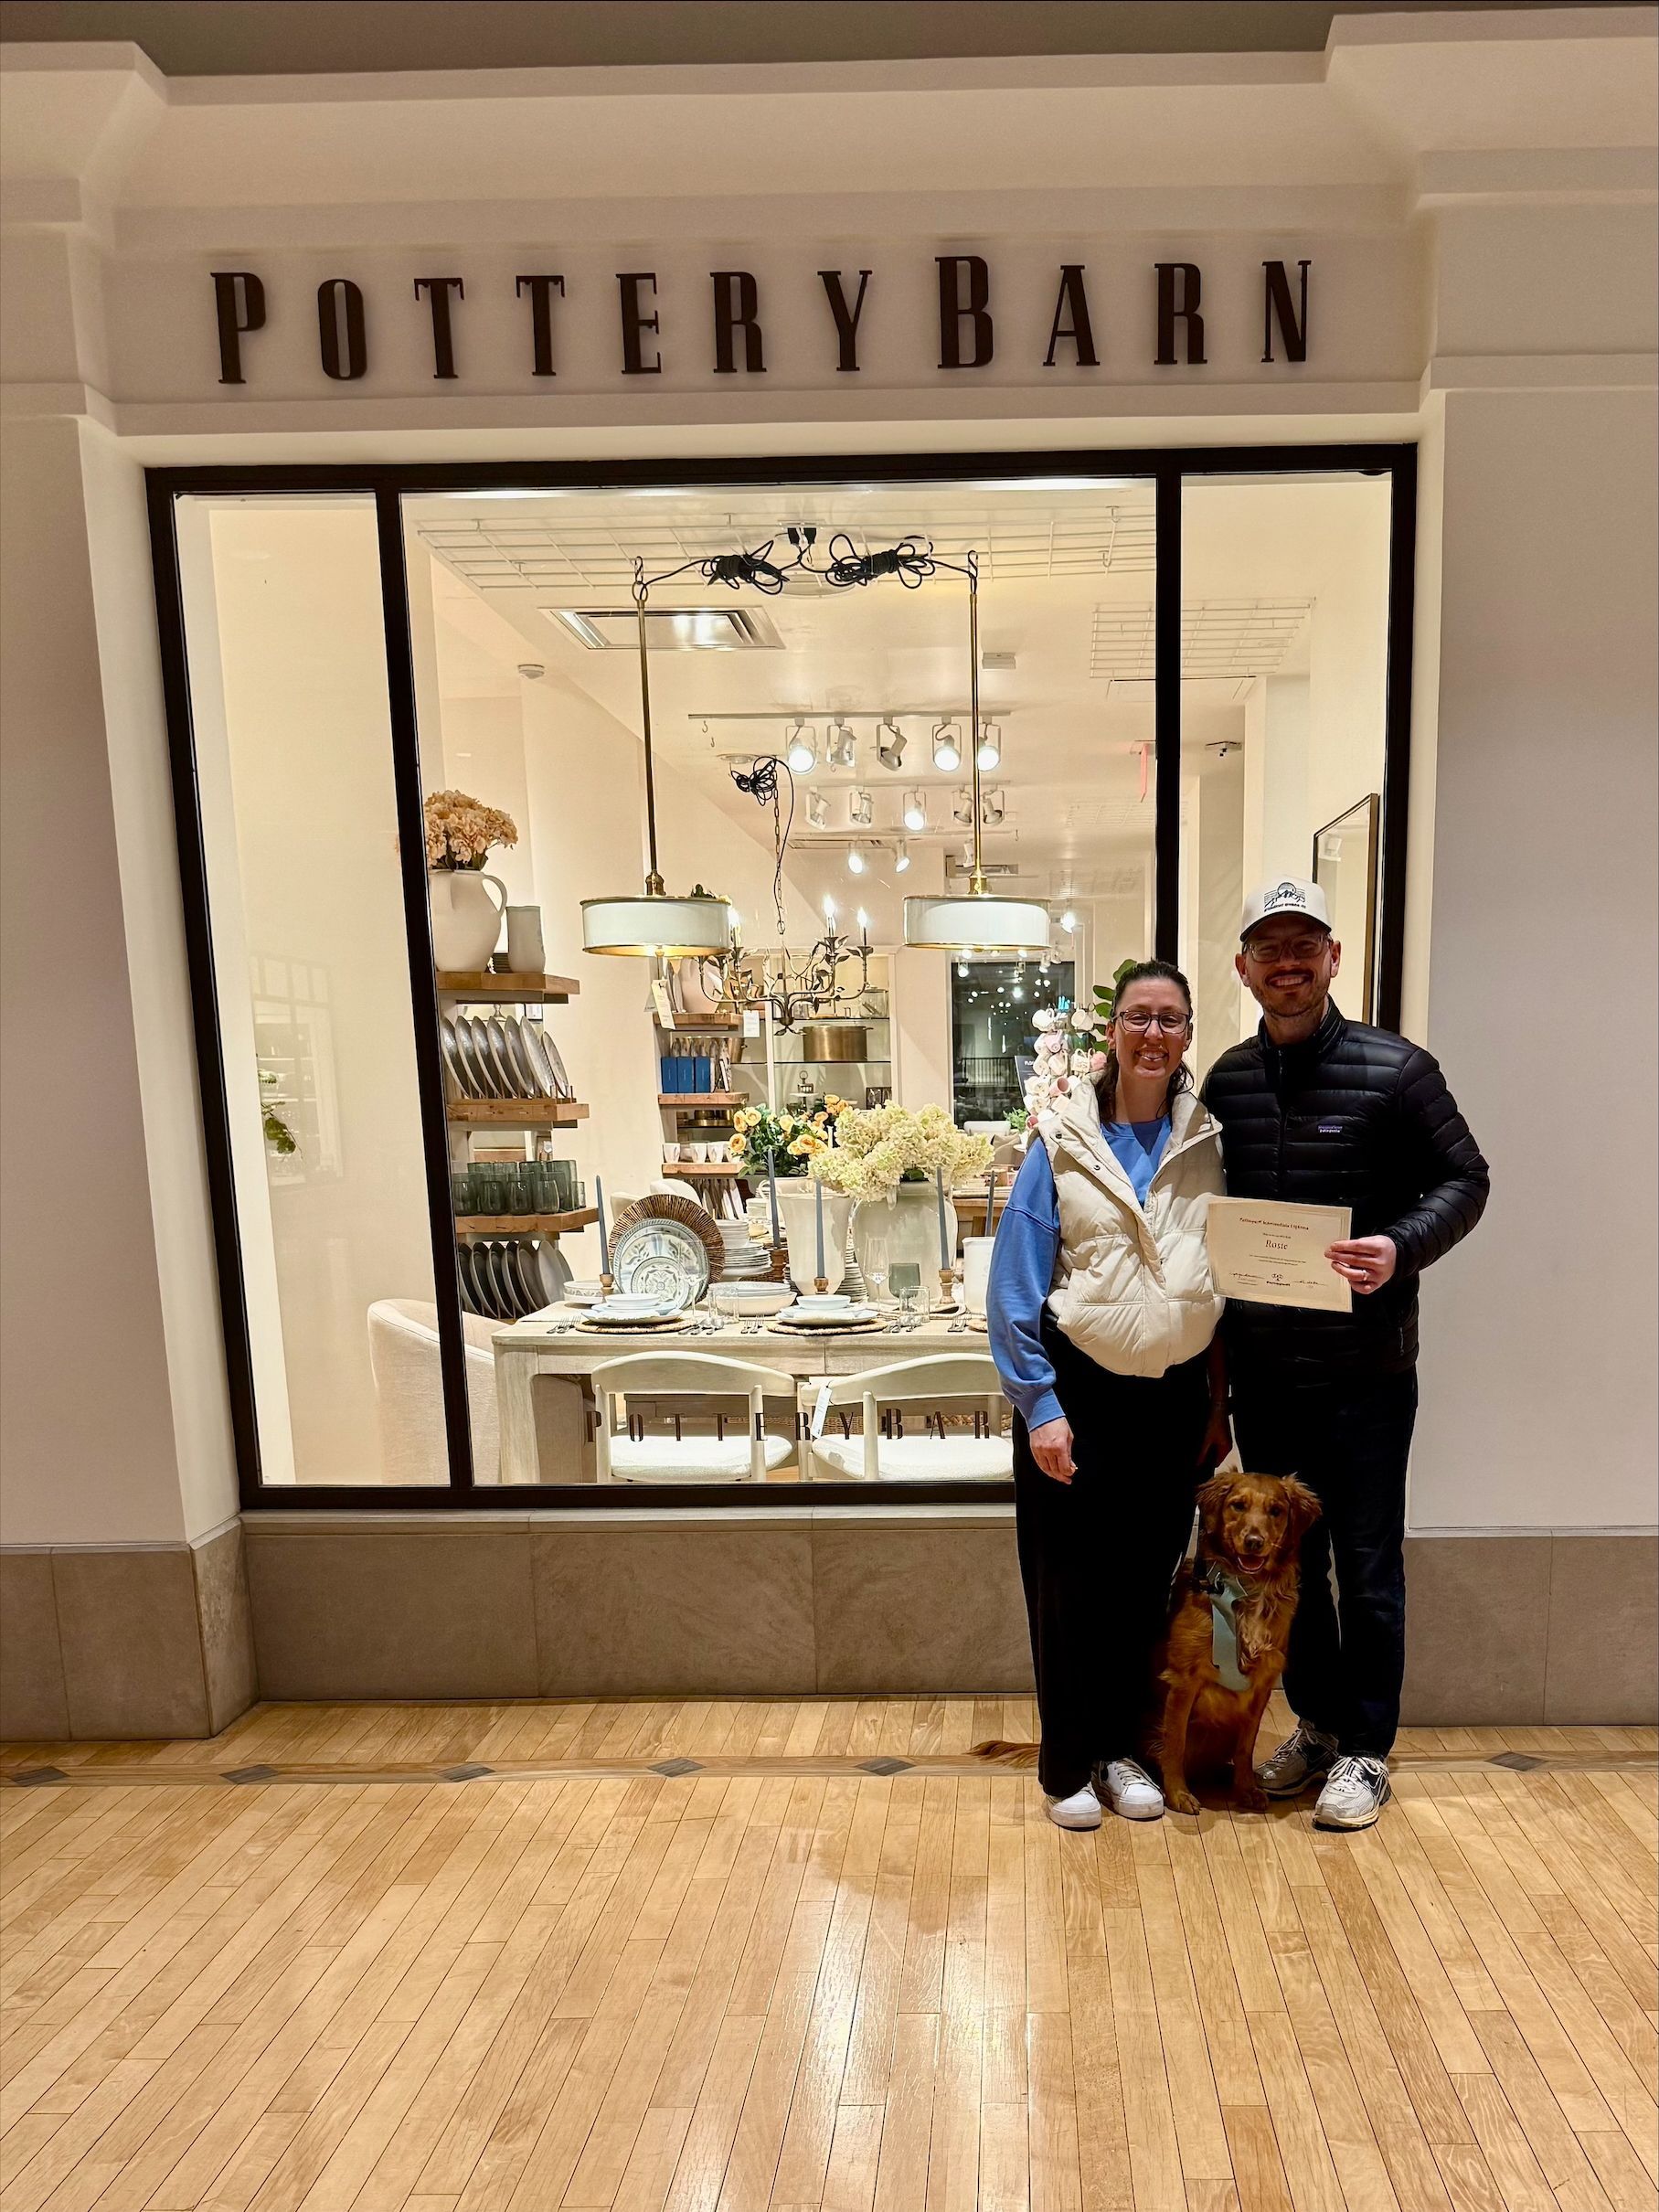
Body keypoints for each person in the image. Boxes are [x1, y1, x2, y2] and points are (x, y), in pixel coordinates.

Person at [1203, 877, 1489, 1829]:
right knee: (1288, 1568)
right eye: (1268, 948)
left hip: (1368, 1377)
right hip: (1266, 1377)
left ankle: (1367, 1750)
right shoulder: (1227, 1082)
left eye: (1304, 946)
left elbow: (1465, 1178)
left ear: (1333, 958)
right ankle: (1318, 1726)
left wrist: (1400, 1247)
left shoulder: (1399, 1070)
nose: (1286, 963)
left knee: (1367, 1568)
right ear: (1244, 968)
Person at [987, 961, 1230, 1828]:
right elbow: (1012, 1289)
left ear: (1187, 1033)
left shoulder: (1210, 1143)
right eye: (1137, 1017)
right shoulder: (1061, 1141)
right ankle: (1066, 1766)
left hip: (1169, 1402)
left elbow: (1225, 1279)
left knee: (1141, 1586)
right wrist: (1040, 1408)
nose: (1152, 1034)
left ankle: (1124, 1750)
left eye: (1169, 1019)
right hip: (1077, 1397)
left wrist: (1217, 1405)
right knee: (1066, 1590)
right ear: (1112, 1033)